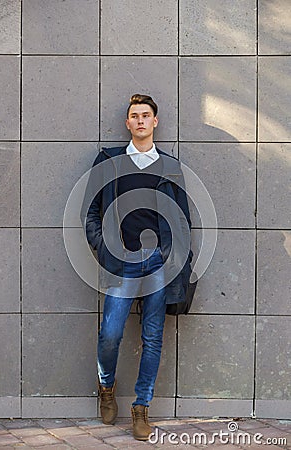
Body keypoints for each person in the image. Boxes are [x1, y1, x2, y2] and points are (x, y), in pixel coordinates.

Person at [85, 94, 193, 441]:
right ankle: (106, 386)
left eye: (146, 115)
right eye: (135, 116)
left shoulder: (170, 166)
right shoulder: (109, 161)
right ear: (128, 124)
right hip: (121, 265)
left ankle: (141, 408)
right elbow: (90, 212)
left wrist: (176, 261)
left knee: (152, 338)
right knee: (111, 333)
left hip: (159, 265)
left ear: (155, 122)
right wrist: (104, 250)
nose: (141, 121)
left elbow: (182, 221)